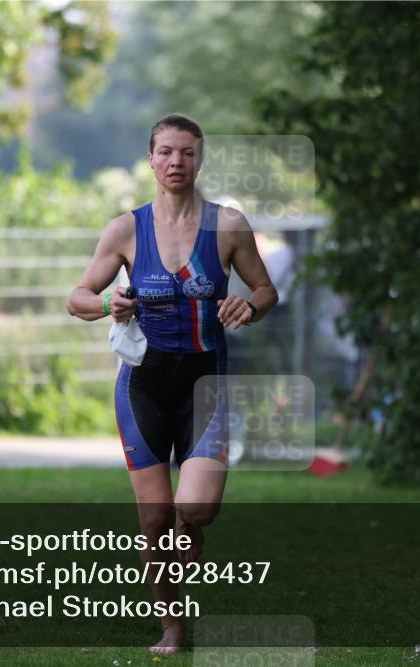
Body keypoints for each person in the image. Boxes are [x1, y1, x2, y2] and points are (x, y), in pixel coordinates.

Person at [67, 113, 278, 655]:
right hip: (143, 386)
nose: (175, 162)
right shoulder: (124, 229)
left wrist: (247, 306)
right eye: (165, 152)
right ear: (151, 159)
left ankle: (194, 530)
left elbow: (266, 290)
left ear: (199, 158)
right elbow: (78, 297)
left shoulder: (227, 226)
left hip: (207, 385)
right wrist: (107, 303)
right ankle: (173, 628)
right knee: (156, 520)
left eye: (185, 152)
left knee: (196, 512)